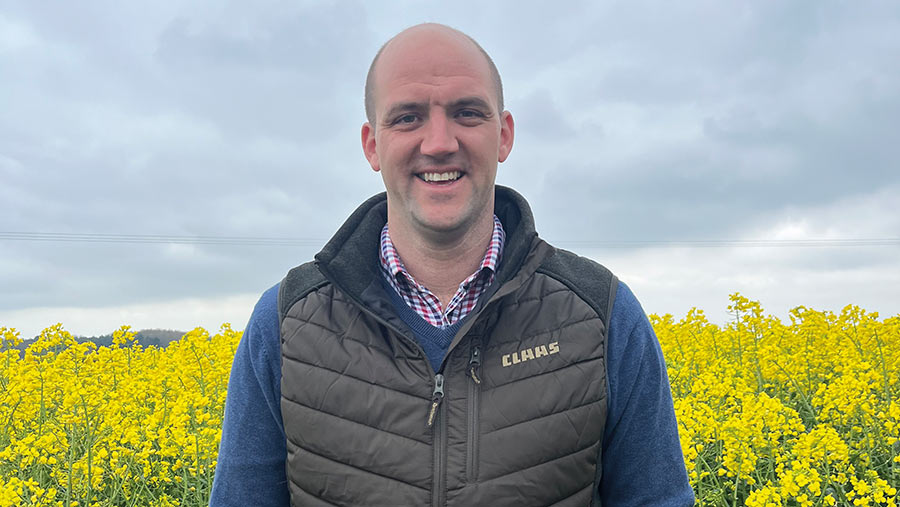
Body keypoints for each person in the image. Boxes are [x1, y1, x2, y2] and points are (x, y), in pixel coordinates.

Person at [209, 23, 694, 507]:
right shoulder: (284, 323)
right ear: (371, 145)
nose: (439, 143)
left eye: (467, 113)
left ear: (503, 136)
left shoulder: (604, 315)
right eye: (407, 118)